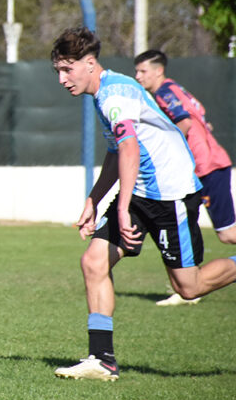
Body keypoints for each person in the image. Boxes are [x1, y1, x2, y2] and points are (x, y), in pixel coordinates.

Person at [50, 27, 236, 381]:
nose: (62, 79)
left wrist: (121, 208)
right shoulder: (103, 92)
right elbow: (116, 151)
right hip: (140, 192)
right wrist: (94, 200)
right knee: (93, 262)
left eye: (67, 69)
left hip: (170, 194)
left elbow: (130, 148)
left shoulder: (114, 95)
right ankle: (102, 359)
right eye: (58, 71)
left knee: (189, 287)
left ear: (89, 63)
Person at [134, 49, 236, 306]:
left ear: (159, 71)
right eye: (136, 71)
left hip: (206, 166)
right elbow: (202, 119)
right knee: (181, 230)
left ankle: (188, 289)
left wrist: (163, 147)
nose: (138, 76)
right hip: (196, 169)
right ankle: (186, 290)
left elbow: (185, 123)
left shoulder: (165, 92)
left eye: (143, 71)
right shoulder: (175, 89)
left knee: (227, 234)